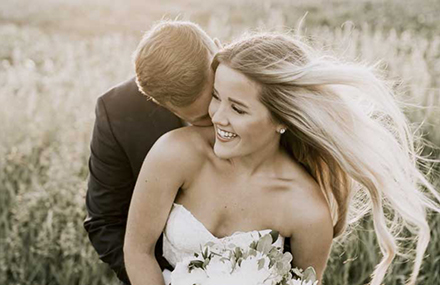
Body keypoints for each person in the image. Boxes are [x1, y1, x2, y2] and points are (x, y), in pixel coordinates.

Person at [124, 32, 440, 285]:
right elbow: (137, 251)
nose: (217, 117)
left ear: (281, 120)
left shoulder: (307, 211)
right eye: (217, 96)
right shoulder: (175, 153)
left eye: (238, 108)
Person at [83, 20, 220, 284]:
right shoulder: (119, 112)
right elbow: (106, 222)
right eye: (203, 117)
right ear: (158, 102)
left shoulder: (260, 80)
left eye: (218, 94)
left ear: (218, 49)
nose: (221, 117)